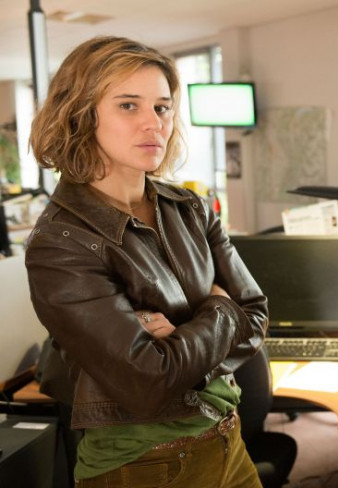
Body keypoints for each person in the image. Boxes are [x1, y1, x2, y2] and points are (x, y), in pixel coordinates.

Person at [25, 36, 268, 487]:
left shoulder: (190, 208)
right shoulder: (60, 242)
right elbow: (148, 384)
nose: (153, 123)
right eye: (128, 105)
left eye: (162, 107)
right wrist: (219, 309)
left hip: (227, 441)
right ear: (80, 114)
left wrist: (178, 344)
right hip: (144, 464)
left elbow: (255, 314)